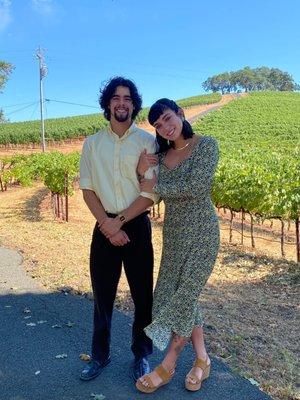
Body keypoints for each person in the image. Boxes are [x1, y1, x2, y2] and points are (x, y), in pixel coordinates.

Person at [135, 98, 220, 393]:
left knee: (184, 297)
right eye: (158, 125)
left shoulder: (206, 145)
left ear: (181, 114)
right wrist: (141, 170)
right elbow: (143, 181)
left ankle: (168, 364)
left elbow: (196, 187)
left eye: (168, 119)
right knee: (177, 294)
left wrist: (154, 186)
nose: (165, 127)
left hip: (202, 235)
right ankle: (202, 359)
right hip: (173, 237)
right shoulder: (162, 156)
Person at [79, 77, 159, 382]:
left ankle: (141, 355)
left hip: (136, 225)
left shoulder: (147, 142)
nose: (121, 102)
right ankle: (99, 355)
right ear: (108, 104)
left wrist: (119, 223)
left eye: (127, 98)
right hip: (104, 225)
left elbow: (150, 192)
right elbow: (87, 190)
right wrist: (107, 225)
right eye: (116, 97)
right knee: (102, 296)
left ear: (133, 104)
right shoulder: (92, 144)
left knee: (142, 297)